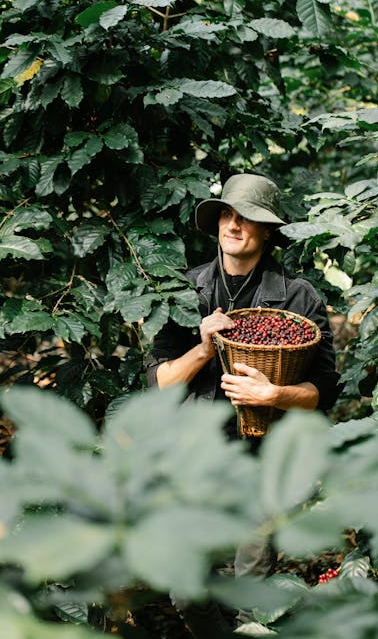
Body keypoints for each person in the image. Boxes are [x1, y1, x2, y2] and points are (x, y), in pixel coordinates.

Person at [145, 172, 341, 637]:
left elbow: (324, 391)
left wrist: (273, 395)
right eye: (227, 215)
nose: (233, 226)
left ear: (267, 231)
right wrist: (203, 348)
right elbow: (160, 383)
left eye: (247, 219)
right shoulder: (184, 290)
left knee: (251, 592)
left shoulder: (299, 298)